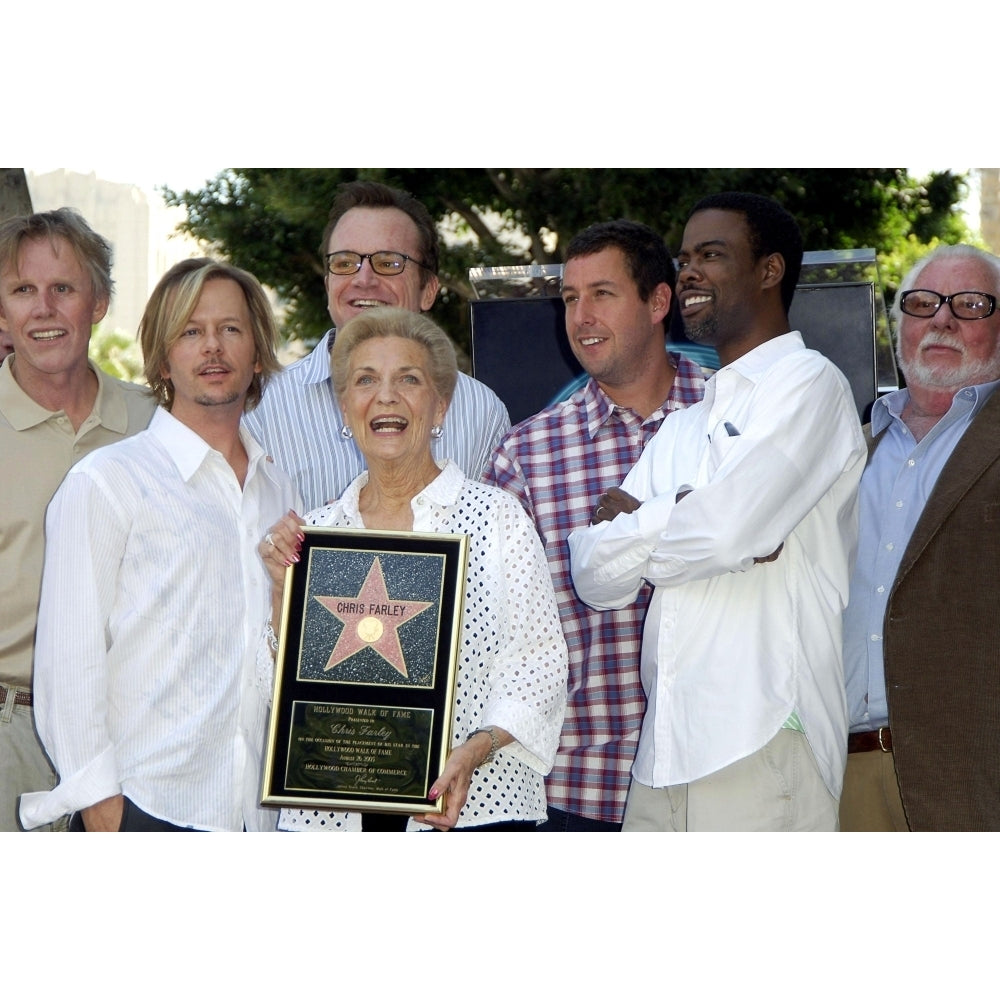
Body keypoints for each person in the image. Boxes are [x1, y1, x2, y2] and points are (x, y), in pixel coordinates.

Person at [569, 192, 866, 831]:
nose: (689, 273)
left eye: (711, 254)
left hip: (763, 735)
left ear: (769, 270)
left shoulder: (811, 386)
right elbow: (594, 577)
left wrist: (641, 523)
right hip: (662, 753)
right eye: (684, 258)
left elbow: (725, 533)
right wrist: (677, 515)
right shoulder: (683, 426)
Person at [18, 258, 298, 832]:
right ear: (164, 356)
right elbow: (67, 664)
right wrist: (102, 806)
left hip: (261, 812)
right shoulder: (107, 482)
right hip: (149, 806)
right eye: (190, 332)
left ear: (257, 349)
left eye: (231, 329)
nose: (212, 348)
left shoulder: (280, 488)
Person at [263, 306, 568, 831]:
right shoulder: (314, 536)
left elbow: (538, 665)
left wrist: (476, 750)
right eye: (366, 380)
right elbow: (283, 692)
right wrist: (279, 592)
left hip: (475, 811)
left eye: (408, 379)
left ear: (441, 406)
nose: (386, 396)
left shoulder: (496, 519)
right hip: (331, 819)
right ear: (344, 408)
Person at [484, 220, 705, 831]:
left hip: (719, 774)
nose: (581, 316)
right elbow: (504, 633)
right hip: (580, 788)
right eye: (571, 298)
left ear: (659, 301)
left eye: (602, 294)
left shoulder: (732, 421)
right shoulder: (527, 453)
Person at [0, 207, 156, 832]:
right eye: (22, 290)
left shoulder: (156, 425)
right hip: (11, 729)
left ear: (99, 303)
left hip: (133, 736)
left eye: (63, 288)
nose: (43, 309)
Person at [840, 245, 1000, 831]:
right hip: (838, 776)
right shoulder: (843, 450)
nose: (942, 318)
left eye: (972, 304)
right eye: (923, 302)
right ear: (899, 322)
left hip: (976, 782)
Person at [244, 180, 510, 510]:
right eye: (344, 262)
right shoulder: (261, 409)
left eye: (388, 262)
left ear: (428, 289)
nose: (363, 279)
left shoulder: (481, 411)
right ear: (328, 284)